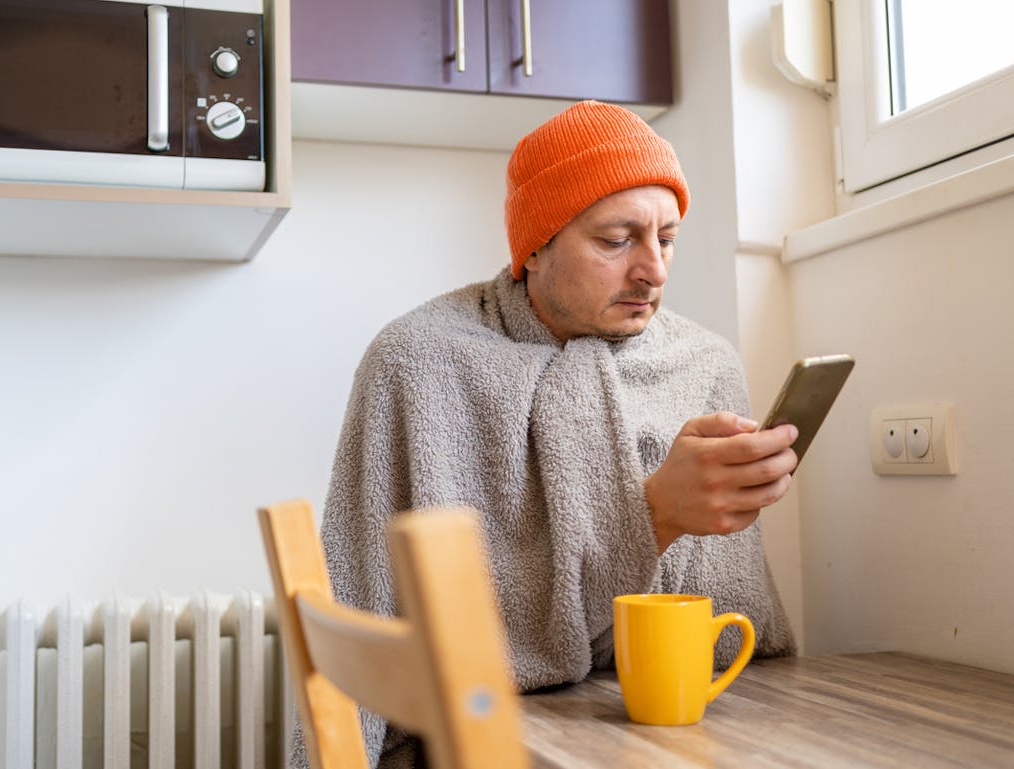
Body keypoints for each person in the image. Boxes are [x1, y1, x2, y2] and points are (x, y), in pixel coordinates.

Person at [315, 100, 798, 769]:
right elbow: (366, 608)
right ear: (534, 244)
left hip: (669, 734)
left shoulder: (704, 364)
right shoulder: (417, 362)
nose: (653, 269)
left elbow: (728, 627)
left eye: (667, 237)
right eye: (616, 239)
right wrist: (655, 513)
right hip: (470, 742)